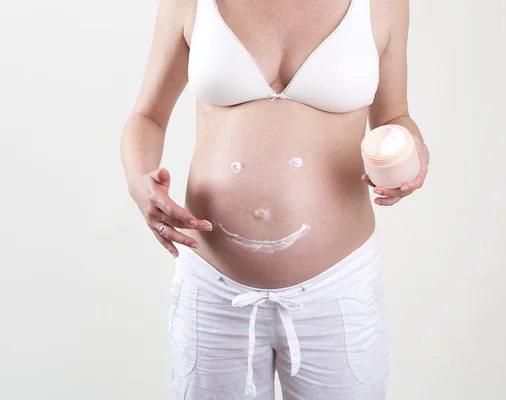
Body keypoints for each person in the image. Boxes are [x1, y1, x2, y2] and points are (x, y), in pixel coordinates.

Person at [120, 0, 430, 398]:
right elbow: (146, 116)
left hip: (336, 290)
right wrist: (139, 180)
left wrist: (414, 149)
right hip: (214, 293)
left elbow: (394, 116)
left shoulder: (382, 5)